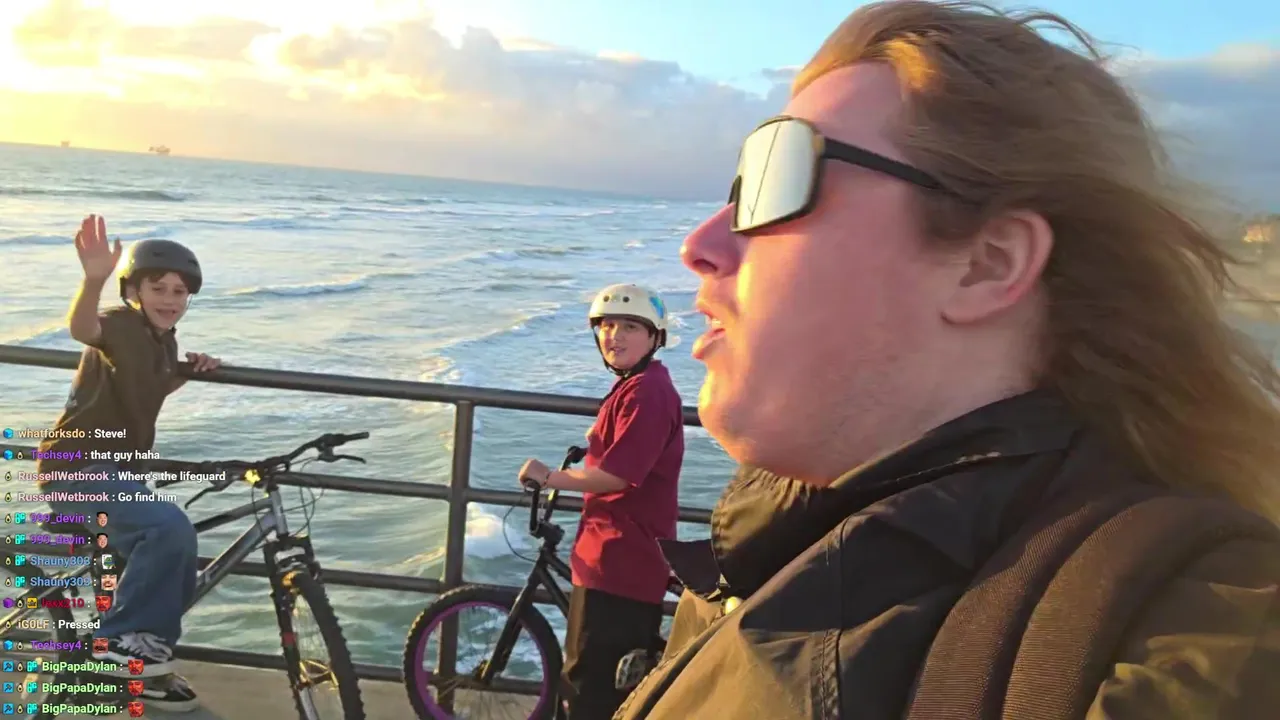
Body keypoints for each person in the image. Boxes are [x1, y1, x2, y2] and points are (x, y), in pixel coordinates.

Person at [615, 2, 1280, 719]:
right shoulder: (756, 563)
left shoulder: (1194, 646)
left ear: (987, 264)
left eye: (776, 177)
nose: (699, 244)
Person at [35, 215, 221, 712]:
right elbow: (83, 328)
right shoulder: (120, 323)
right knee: (168, 529)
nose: (170, 298)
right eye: (158, 288)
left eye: (180, 291)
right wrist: (93, 278)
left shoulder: (163, 340)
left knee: (160, 559)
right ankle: (123, 645)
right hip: (77, 472)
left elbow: (147, 385)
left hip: (116, 474)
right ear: (133, 291)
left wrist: (190, 370)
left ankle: (139, 664)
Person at [517, 284, 684, 719]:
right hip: (614, 556)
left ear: (655, 336)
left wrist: (549, 477)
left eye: (630, 327)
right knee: (600, 685)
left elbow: (619, 475)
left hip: (620, 561)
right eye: (607, 326)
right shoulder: (635, 386)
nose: (615, 335)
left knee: (589, 695)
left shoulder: (647, 393)